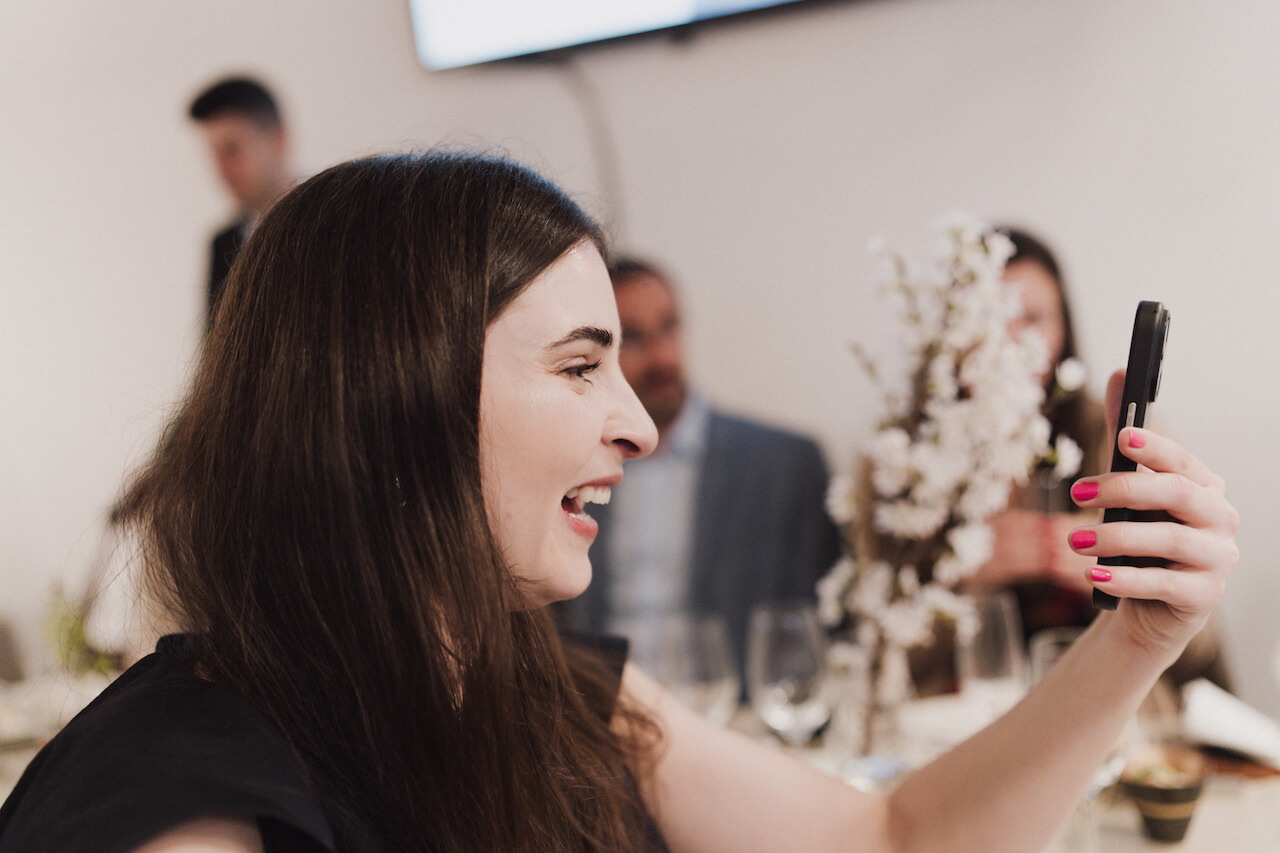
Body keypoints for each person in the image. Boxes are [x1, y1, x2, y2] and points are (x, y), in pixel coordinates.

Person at [0, 152, 1240, 853]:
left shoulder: (554, 694)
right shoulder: (191, 807)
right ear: (392, 400)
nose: (640, 424)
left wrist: (1131, 639)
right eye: (578, 365)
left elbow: (897, 840)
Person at [963, 226, 1231, 690]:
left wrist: (1148, 585)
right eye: (987, 319)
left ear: (1063, 328)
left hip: (1117, 704)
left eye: (1032, 319)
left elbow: (1201, 654)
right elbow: (874, 658)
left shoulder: (1121, 441)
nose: (1010, 343)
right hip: (962, 715)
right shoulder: (905, 463)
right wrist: (960, 582)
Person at [555, 257, 842, 686]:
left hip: (733, 713)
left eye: (669, 327)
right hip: (602, 711)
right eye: (633, 338)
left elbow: (831, 628)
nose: (662, 357)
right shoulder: (568, 470)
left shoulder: (782, 466)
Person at [188, 75, 294, 325]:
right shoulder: (223, 244)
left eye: (231, 150)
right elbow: (215, 342)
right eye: (215, 155)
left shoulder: (331, 222)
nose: (222, 169)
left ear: (277, 141)